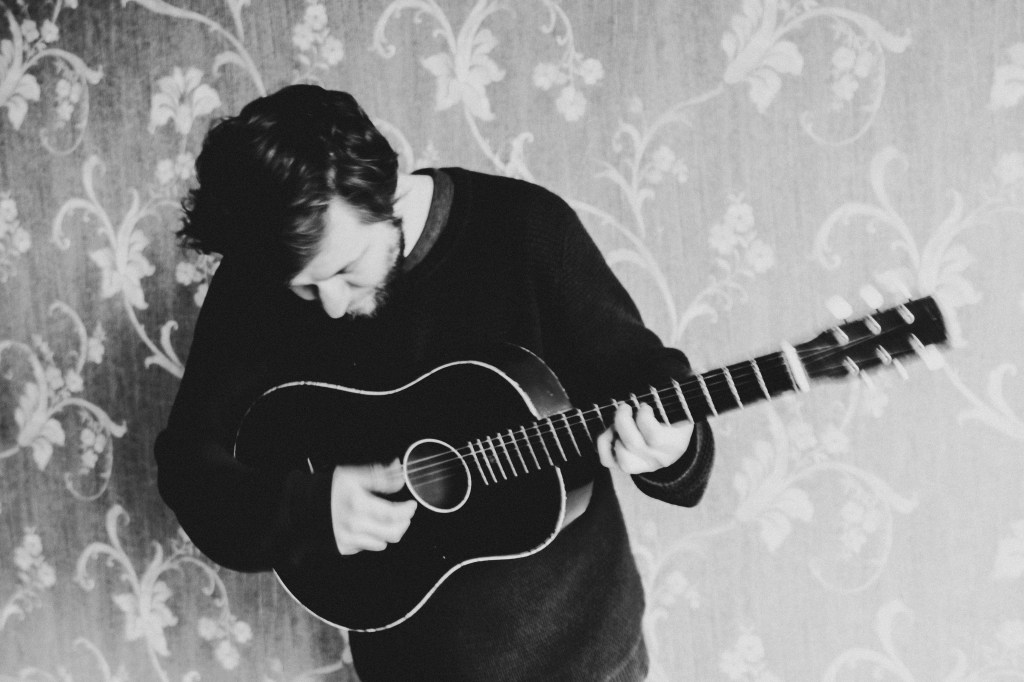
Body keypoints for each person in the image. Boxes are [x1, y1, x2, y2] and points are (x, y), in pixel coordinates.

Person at [154, 84, 715, 682]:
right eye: (305, 287)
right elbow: (189, 468)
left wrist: (672, 448)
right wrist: (305, 510)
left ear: (384, 192)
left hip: (584, 657)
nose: (333, 306)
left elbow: (650, 387)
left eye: (346, 269)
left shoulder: (523, 227)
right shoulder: (255, 287)